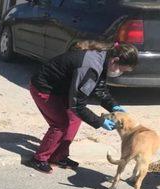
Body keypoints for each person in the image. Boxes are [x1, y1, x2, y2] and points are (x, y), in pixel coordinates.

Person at [28, 41, 138, 174]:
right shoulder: (91, 67)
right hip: (44, 88)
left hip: (62, 89)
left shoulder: (104, 60)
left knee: (75, 119)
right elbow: (77, 105)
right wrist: (100, 121)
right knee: (60, 123)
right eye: (122, 69)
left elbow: (99, 89)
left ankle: (58, 157)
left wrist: (114, 106)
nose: (120, 73)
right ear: (115, 60)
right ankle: (39, 159)